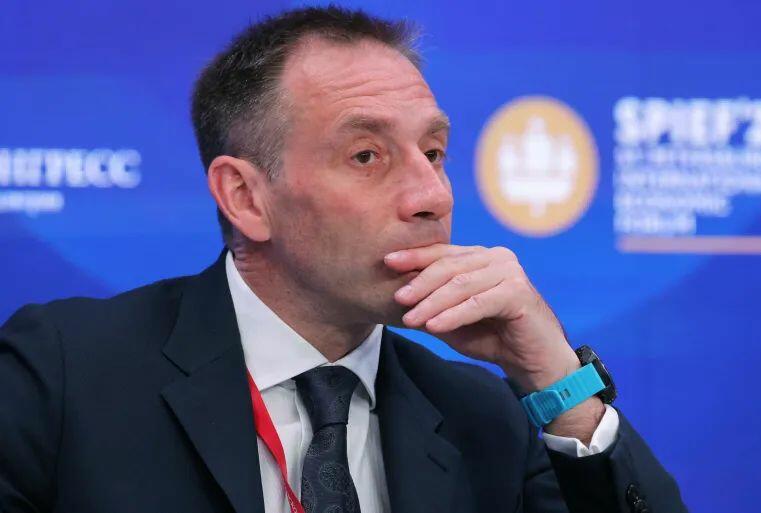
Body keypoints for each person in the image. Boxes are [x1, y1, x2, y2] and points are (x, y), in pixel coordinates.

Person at [0, 6, 687, 513]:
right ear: (245, 197)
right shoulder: (62, 374)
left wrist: (558, 381)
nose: (433, 195)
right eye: (366, 155)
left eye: (434, 153)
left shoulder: (484, 416)